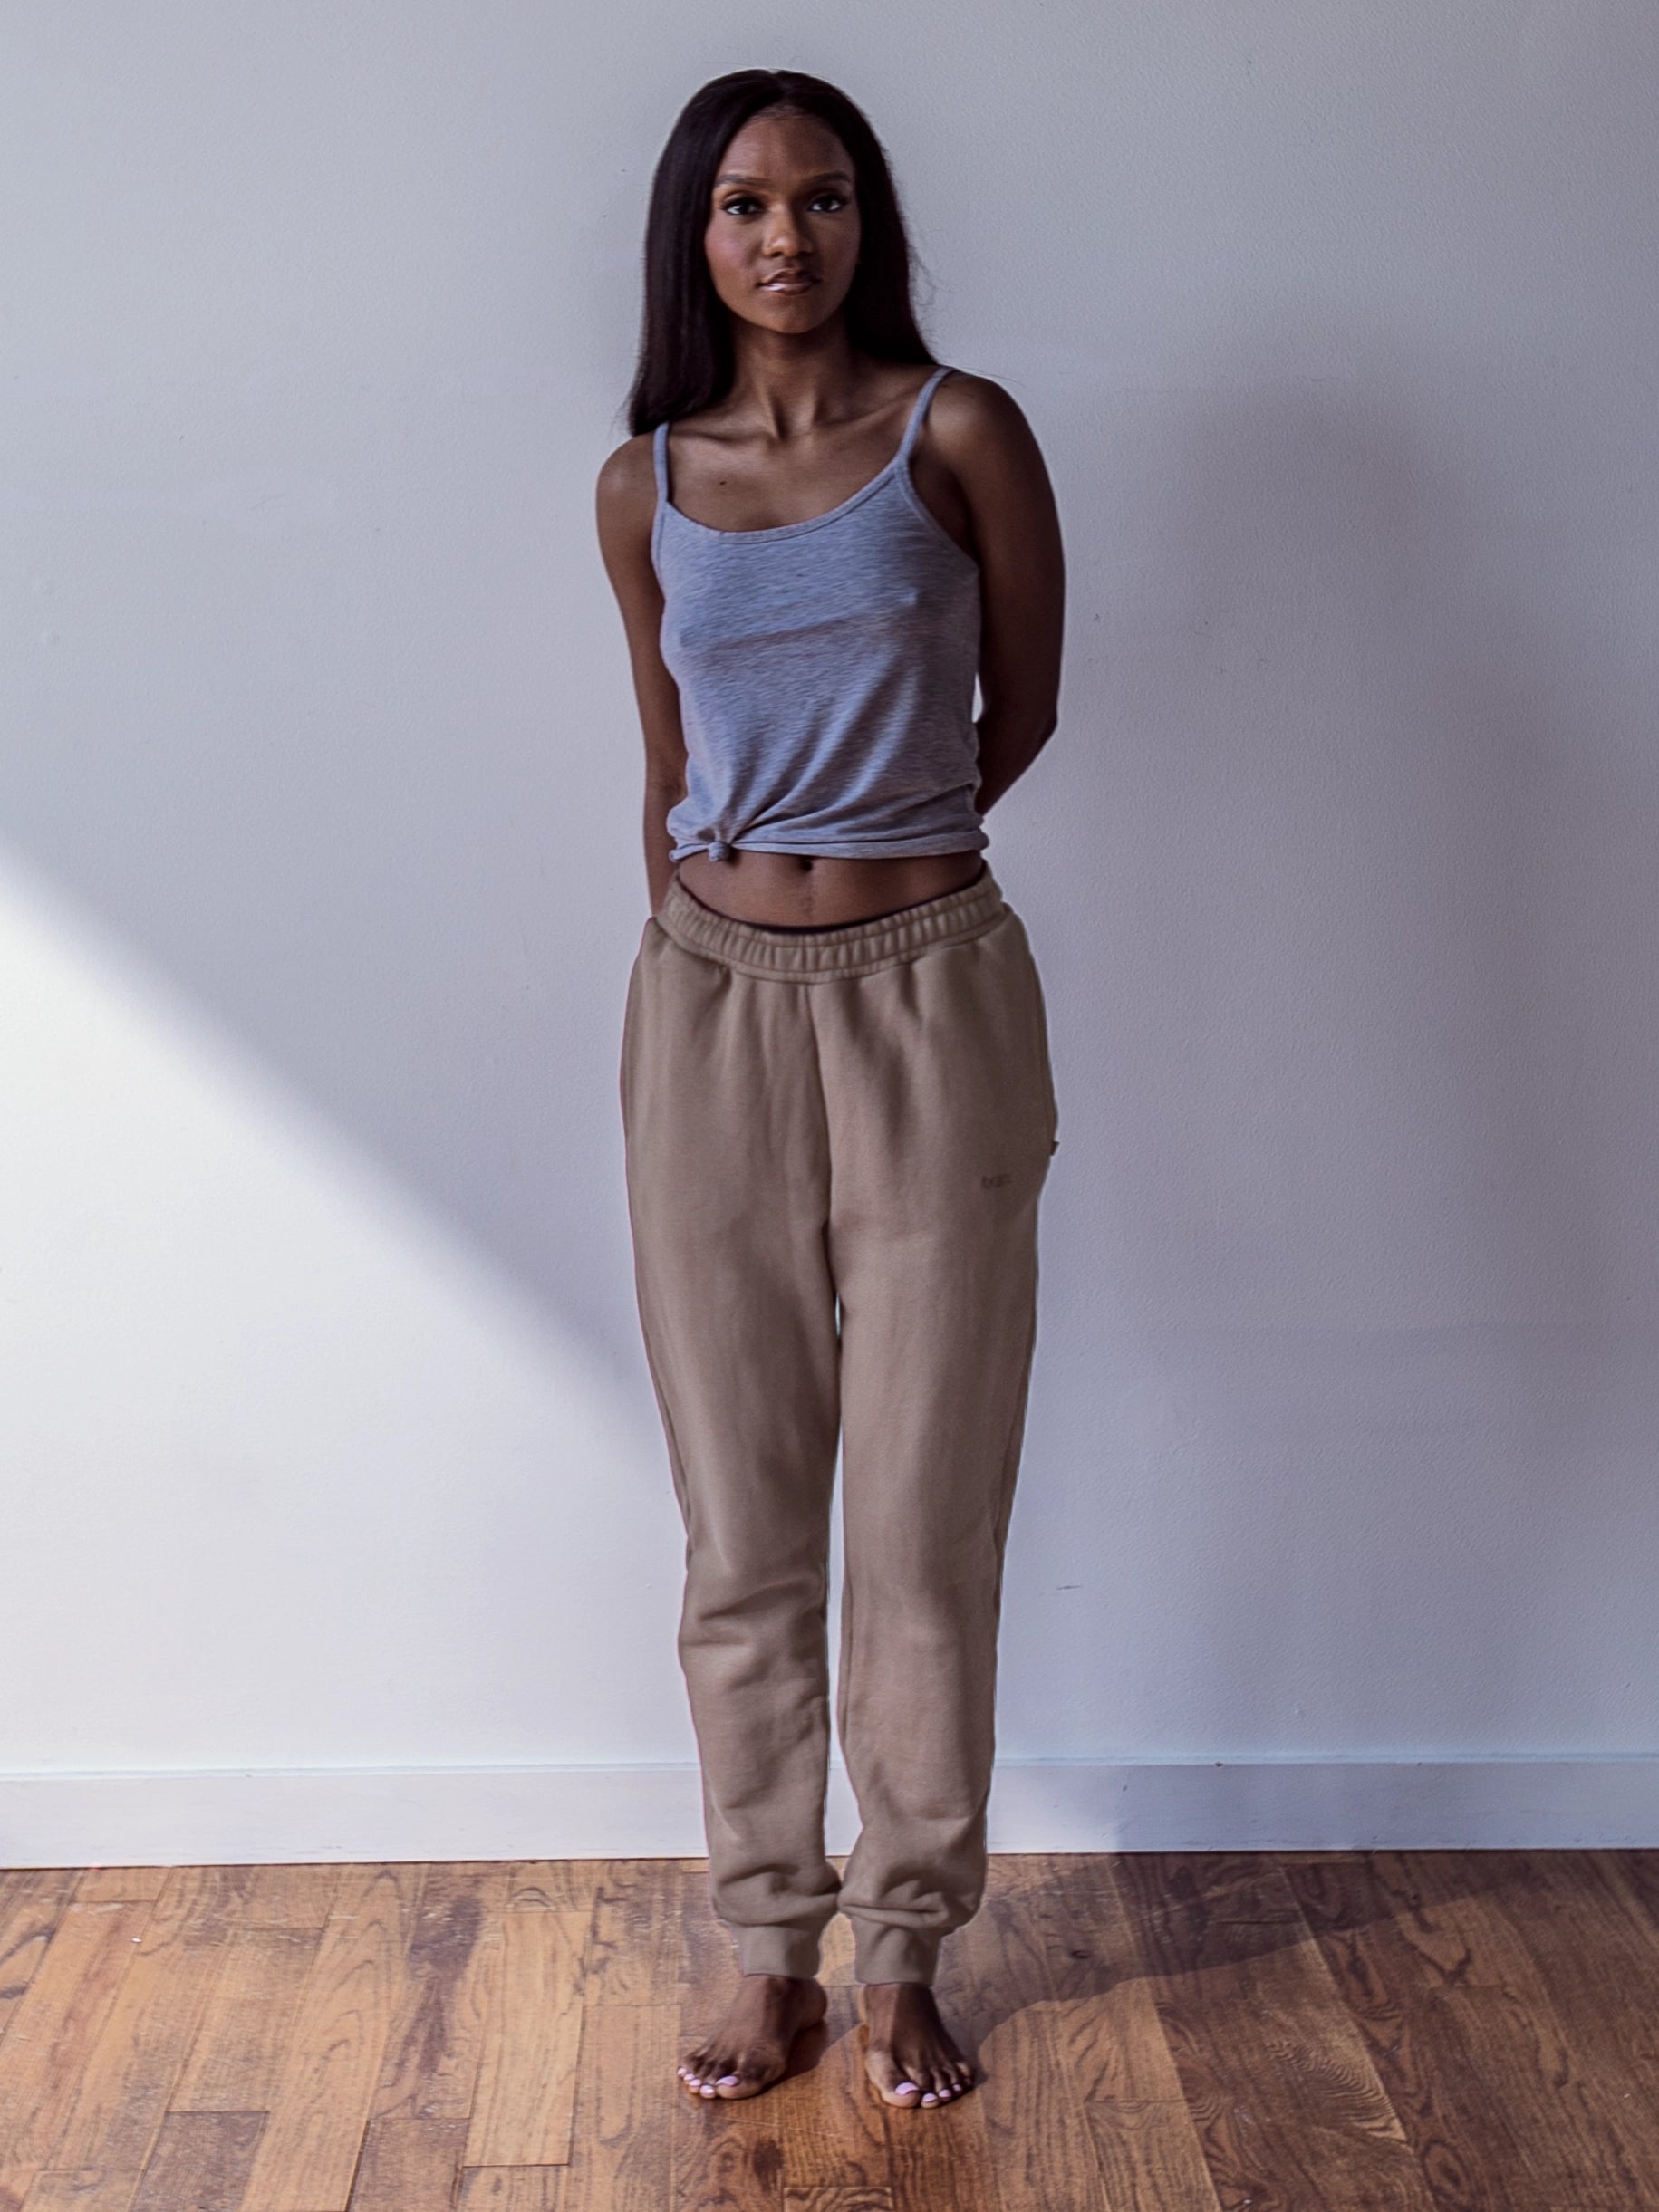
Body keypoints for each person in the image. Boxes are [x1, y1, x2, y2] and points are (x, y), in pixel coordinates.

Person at [595, 66, 1065, 2112]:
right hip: (706, 1011)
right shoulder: (642, 483)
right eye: (743, 204)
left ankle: (903, 1956)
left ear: (871, 221)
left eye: (824, 197)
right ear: (691, 237)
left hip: (930, 996)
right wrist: (714, 935)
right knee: (741, 1524)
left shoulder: (958, 432)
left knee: (927, 1517)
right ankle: (764, 1940)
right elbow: (663, 762)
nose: (787, 237)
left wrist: (882, 858)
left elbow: (1019, 700)